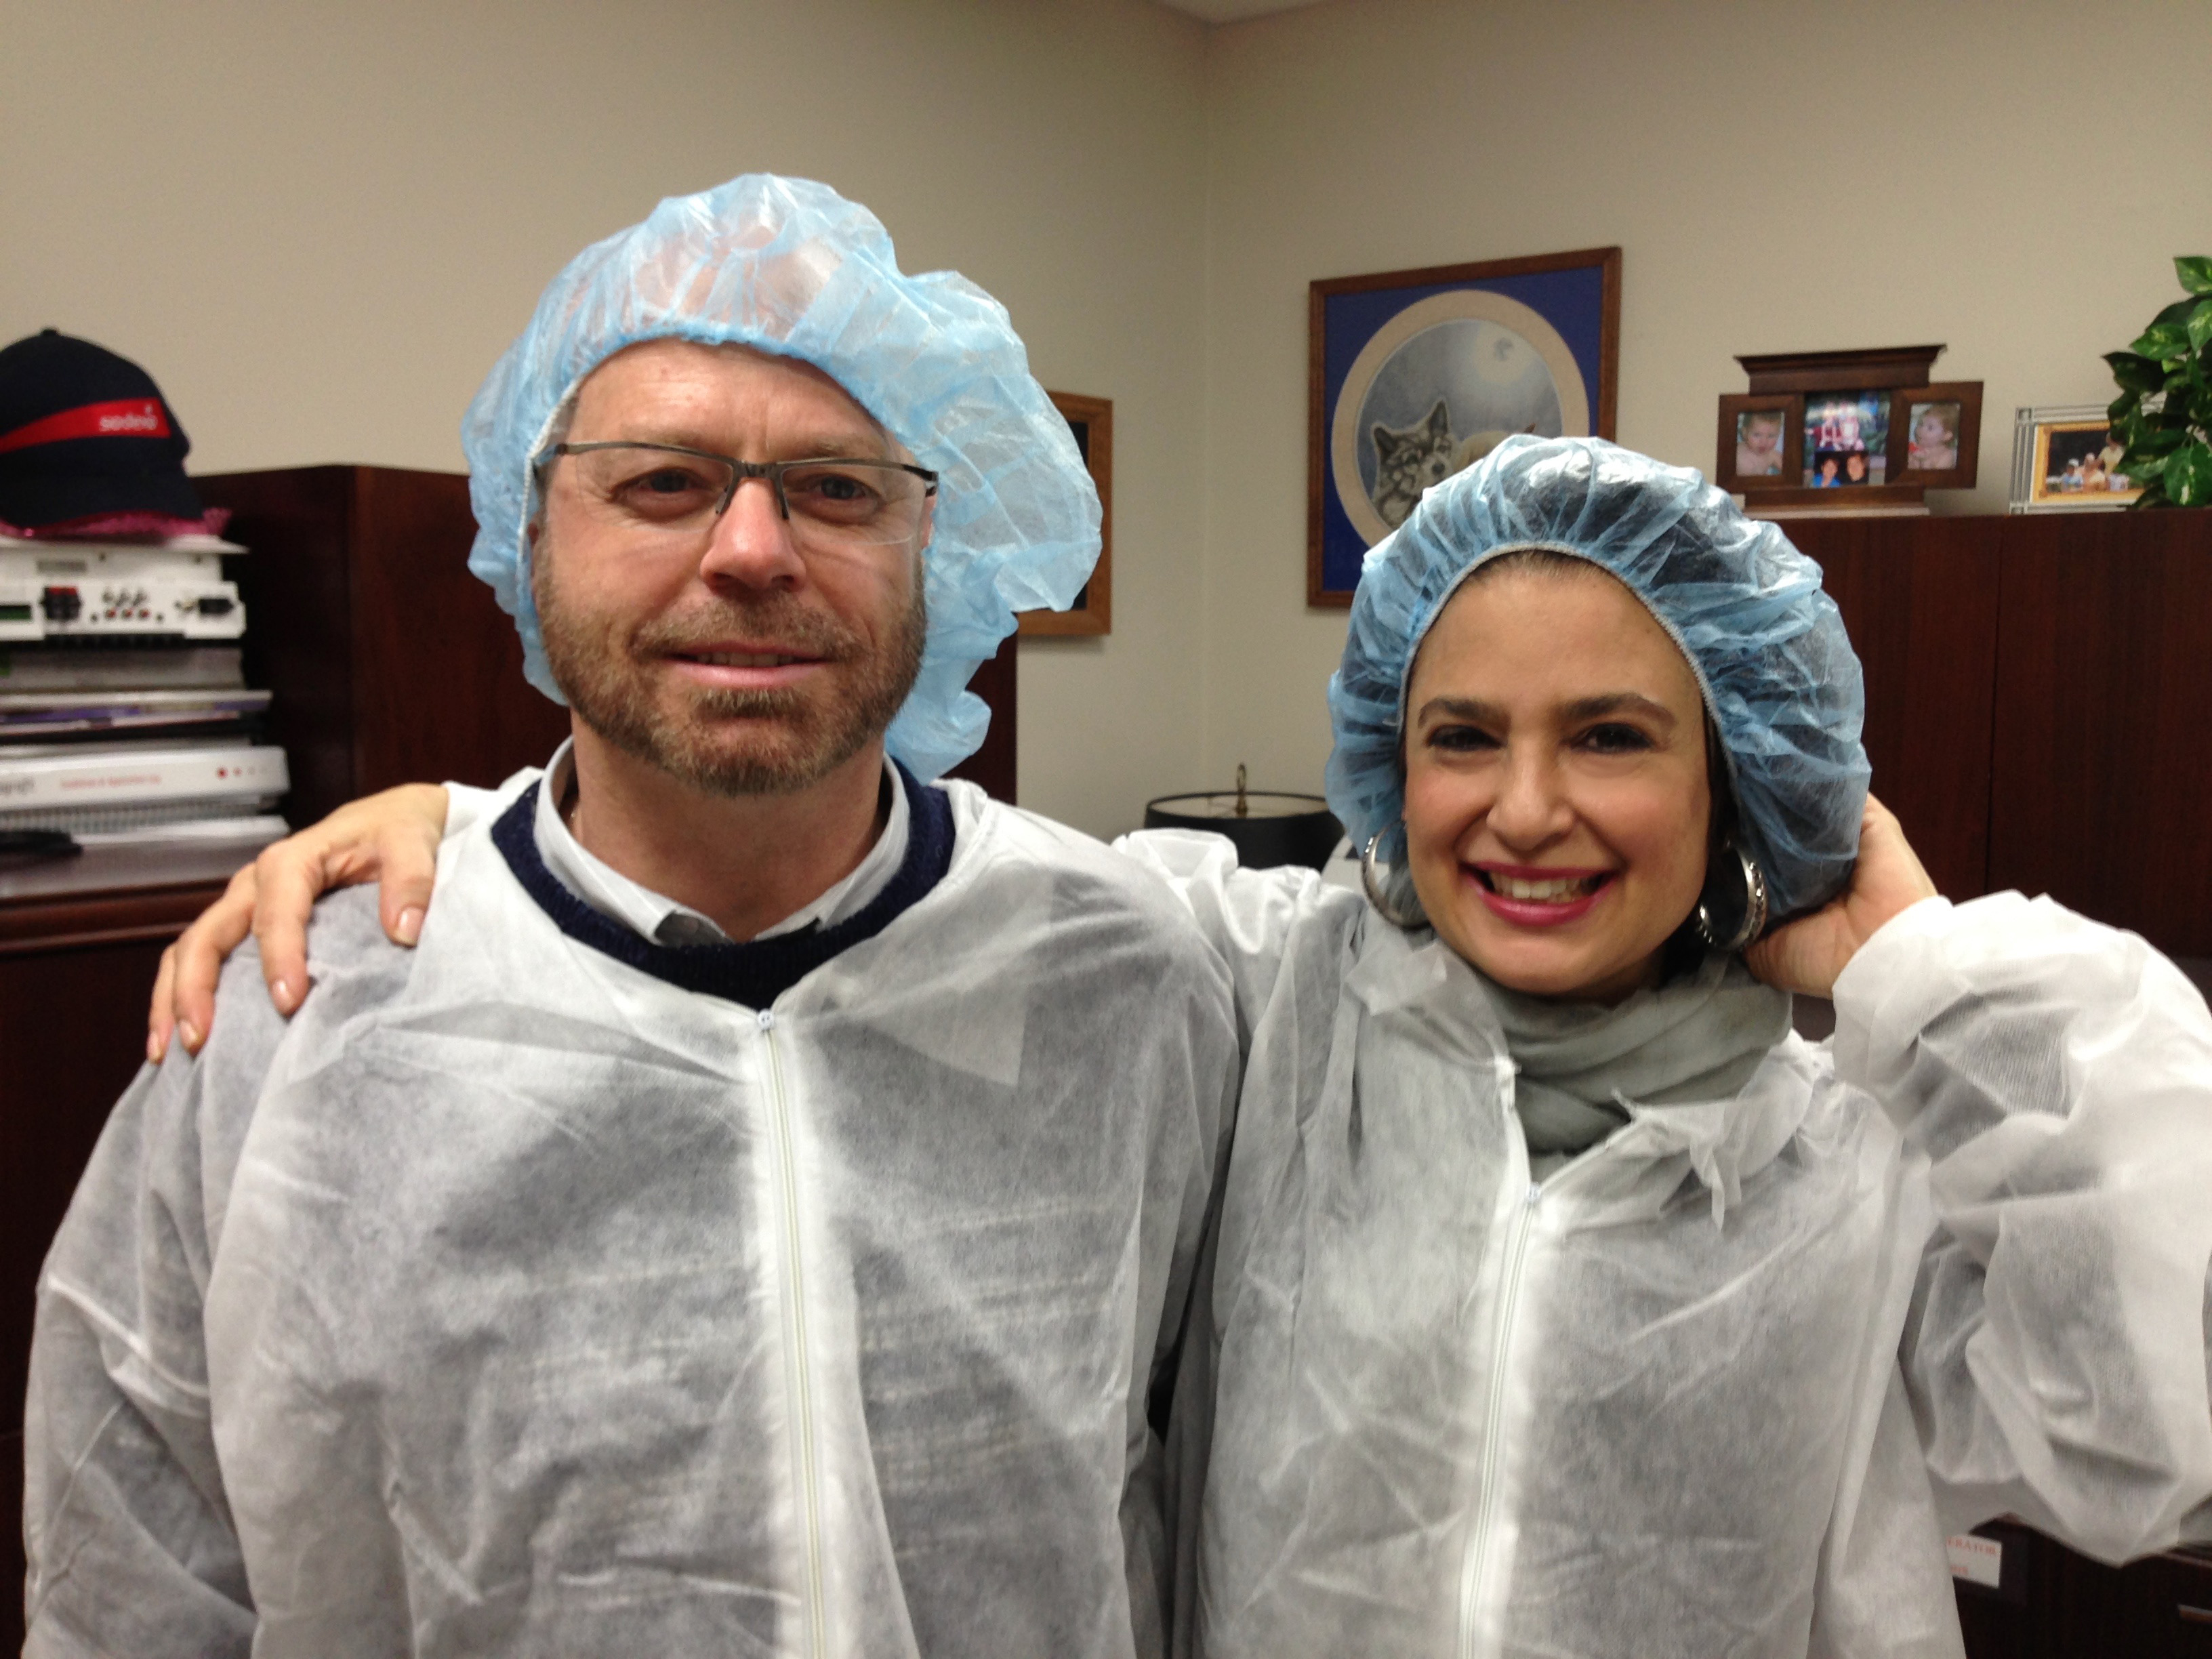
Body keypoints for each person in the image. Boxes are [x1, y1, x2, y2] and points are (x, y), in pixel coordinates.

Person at [171, 438, 2212, 1657]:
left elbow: (2148, 1439)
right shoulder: (1263, 989)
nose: (1522, 811)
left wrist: (1915, 966)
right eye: (1459, 736)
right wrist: (493, 835)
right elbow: (897, 876)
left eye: (1610, 735)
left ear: (1738, 764)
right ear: (1386, 759)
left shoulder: (1866, 1126)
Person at [24, 174, 1239, 1658]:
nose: (751, 550)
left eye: (838, 489)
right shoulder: (292, 1020)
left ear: (936, 540)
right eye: (661, 482)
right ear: (531, 529)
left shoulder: (1123, 975)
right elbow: (131, 1583)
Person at [1907, 403, 1959, 472]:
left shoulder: (1947, 456)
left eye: (1930, 428)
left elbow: (1936, 477)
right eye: (1921, 424)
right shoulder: (1916, 447)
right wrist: (1913, 460)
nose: (1921, 430)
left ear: (1946, 436)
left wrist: (1924, 461)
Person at [1734, 409, 1784, 478]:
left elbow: (1792, 471)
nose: (1764, 442)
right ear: (1745, 433)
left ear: (1779, 434)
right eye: (1757, 435)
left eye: (1771, 436)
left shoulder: (1772, 455)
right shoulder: (1737, 452)